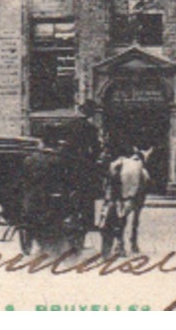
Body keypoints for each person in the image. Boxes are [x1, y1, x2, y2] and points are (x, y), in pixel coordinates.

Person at [62, 100, 103, 247]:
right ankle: (87, 225)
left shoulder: (69, 125)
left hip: (65, 164)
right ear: (90, 113)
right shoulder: (90, 128)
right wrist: (93, 159)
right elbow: (96, 149)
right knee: (89, 196)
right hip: (83, 167)